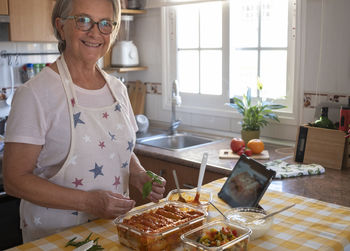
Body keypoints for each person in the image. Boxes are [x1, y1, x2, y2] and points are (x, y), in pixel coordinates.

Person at [3, 0, 166, 243]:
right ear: (60, 26)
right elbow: (14, 180)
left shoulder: (117, 89)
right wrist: (89, 202)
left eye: (104, 24)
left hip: (112, 232)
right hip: (55, 238)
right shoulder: (35, 93)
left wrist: (138, 172)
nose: (95, 32)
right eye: (83, 20)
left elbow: (118, 145)